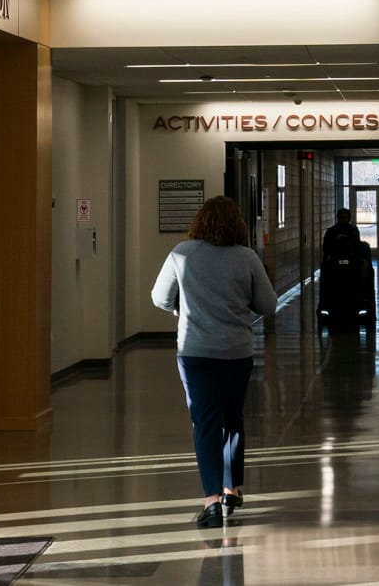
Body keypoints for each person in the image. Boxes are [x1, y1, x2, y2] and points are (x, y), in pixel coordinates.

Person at [151, 194, 277, 526]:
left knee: (206, 423)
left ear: (200, 222)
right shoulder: (247, 258)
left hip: (195, 352)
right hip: (236, 352)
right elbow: (268, 305)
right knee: (233, 418)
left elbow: (159, 297)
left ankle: (210, 501)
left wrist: (183, 309)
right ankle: (231, 489)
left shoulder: (181, 253)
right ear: (238, 224)